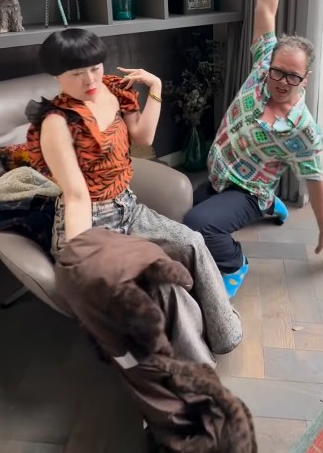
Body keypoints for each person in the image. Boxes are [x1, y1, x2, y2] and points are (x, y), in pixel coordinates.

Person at [26, 28, 242, 361]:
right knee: (162, 289)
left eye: (95, 67)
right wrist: (84, 253)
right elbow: (77, 196)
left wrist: (155, 88)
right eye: (76, 73)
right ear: (57, 76)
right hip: (92, 222)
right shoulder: (56, 122)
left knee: (193, 242)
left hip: (128, 207)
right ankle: (195, 371)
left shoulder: (113, 89)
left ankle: (225, 332)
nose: (90, 79)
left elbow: (143, 136)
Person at [184, 0, 323, 298]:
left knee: (198, 225)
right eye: (278, 71)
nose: (281, 81)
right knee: (186, 208)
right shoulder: (260, 71)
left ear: (305, 79)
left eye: (293, 76)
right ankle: (272, 205)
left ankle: (235, 262)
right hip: (222, 172)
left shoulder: (303, 130)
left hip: (248, 189)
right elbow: (265, 8)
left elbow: (315, 180)